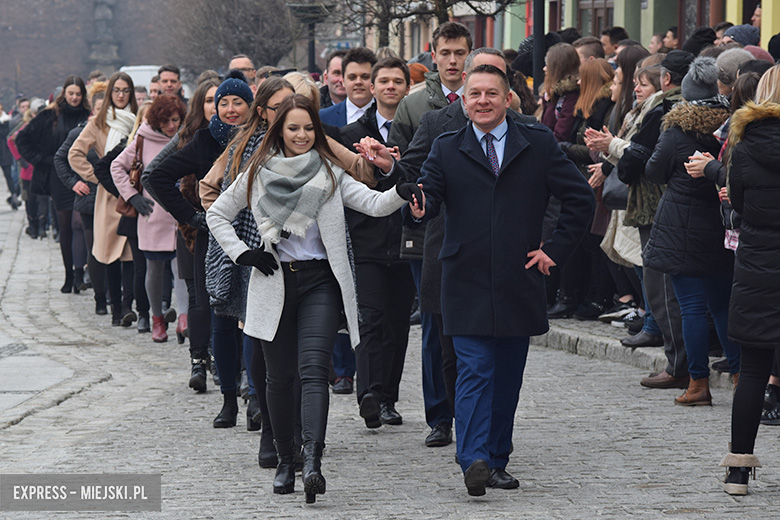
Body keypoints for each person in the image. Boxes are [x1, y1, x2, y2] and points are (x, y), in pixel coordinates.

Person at [206, 93, 423, 503]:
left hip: (321, 283)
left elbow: (374, 204)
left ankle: (313, 462)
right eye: (294, 128)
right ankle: (286, 459)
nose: (302, 135)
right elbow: (217, 213)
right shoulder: (257, 171)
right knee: (278, 378)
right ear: (280, 132)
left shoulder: (330, 173)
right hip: (273, 282)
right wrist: (244, 252)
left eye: (309, 128)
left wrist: (400, 190)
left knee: (313, 369)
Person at [402, 64, 594, 496]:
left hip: (519, 277)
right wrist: (419, 207)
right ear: (464, 101)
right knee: (474, 369)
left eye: (492, 94)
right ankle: (474, 459)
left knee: (506, 375)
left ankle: (497, 459)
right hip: (464, 277)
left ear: (509, 99)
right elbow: (428, 193)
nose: (483, 101)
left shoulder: (538, 143)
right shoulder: (447, 146)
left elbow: (579, 198)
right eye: (475, 95)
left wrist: (554, 250)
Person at [149, 71, 252, 425]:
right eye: (223, 102)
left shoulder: (263, 138)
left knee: (253, 319)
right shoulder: (205, 141)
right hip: (216, 237)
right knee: (221, 318)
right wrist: (192, 218)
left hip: (256, 236)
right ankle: (228, 398)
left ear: (250, 105)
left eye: (238, 102)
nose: (230, 108)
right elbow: (155, 176)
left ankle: (253, 391)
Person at [644, 56, 738, 406]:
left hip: (680, 228)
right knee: (721, 304)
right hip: (720, 223)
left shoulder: (676, 130)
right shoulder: (730, 125)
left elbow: (654, 171)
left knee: (692, 308)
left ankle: (698, 383)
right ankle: (742, 375)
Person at [339, 57, 415, 428]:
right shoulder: (351, 132)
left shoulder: (415, 131)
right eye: (383, 81)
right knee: (369, 319)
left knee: (398, 324)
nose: (390, 87)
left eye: (397, 81)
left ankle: (388, 398)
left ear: (406, 87)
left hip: (405, 241)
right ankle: (368, 392)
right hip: (366, 240)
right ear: (372, 87)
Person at [720, 63, 779, 495]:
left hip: (759, 262)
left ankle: (739, 470)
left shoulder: (744, 146)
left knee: (754, 369)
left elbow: (736, 203)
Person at [143, 77, 221, 390]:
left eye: (224, 100)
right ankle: (198, 359)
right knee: (198, 297)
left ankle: (221, 357)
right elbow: (152, 176)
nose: (217, 107)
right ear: (199, 104)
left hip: (228, 228)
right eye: (211, 100)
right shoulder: (189, 137)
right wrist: (186, 214)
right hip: (194, 229)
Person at [111, 95, 187, 342]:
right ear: (156, 120)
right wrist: (133, 197)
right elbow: (116, 167)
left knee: (182, 270)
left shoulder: (185, 137)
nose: (171, 126)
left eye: (175, 120)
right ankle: (157, 319)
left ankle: (184, 319)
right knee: (153, 270)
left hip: (180, 214)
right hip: (152, 214)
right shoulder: (142, 139)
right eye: (166, 121)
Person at [68, 71, 139, 325]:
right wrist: (97, 177)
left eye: (125, 90)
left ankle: (126, 305)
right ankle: (113, 308)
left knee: (131, 253)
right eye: (116, 90)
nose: (121, 95)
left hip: (133, 193)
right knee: (109, 254)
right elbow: (74, 154)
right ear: (110, 93)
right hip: (108, 195)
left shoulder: (138, 120)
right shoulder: (99, 122)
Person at [16, 76, 91, 293]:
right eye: (71, 94)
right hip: (58, 177)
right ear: (64, 94)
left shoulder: (89, 116)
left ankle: (80, 272)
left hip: (83, 175)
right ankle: (69, 275)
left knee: (80, 224)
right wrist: (42, 160)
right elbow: (22, 139)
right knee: (65, 226)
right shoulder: (49, 115)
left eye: (78, 94)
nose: (75, 98)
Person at [389, 21, 473, 153]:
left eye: (459, 53)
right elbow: (400, 163)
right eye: (445, 53)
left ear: (470, 56)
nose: (452, 61)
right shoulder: (410, 106)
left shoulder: (485, 102)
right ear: (434, 56)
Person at [319, 47, 377, 128]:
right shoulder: (323, 118)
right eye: (352, 77)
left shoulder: (388, 116)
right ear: (343, 81)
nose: (358, 82)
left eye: (365, 77)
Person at [540, 42, 581, 143]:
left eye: (548, 65)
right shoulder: (555, 94)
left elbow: (560, 135)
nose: (544, 69)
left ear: (558, 69)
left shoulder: (571, 96)